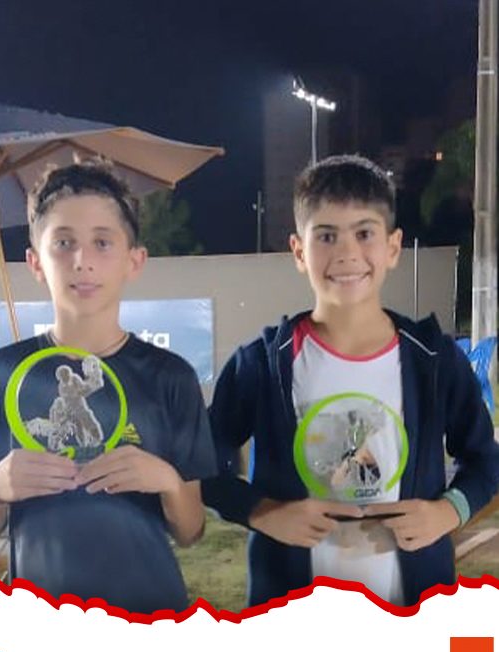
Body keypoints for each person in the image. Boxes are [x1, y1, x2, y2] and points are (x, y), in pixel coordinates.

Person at [202, 154, 499, 608]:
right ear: (298, 252)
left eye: (364, 233)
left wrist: (447, 511)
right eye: (326, 236)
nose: (346, 253)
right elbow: (202, 464)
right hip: (292, 619)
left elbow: (485, 461)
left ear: (393, 248)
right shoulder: (261, 364)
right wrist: (262, 513)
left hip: (410, 616)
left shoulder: (433, 360)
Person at [0, 158, 217, 614]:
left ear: (134, 261)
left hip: (148, 617)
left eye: (102, 242)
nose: (82, 261)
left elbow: (191, 531)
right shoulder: (5, 375)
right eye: (64, 243)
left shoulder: (170, 377)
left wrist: (167, 481)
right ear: (35, 262)